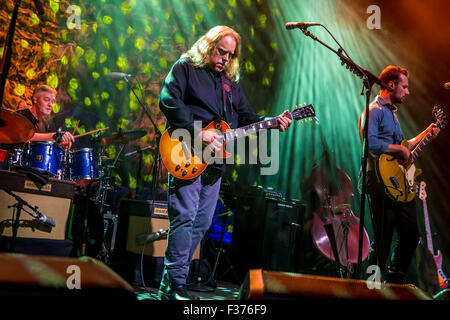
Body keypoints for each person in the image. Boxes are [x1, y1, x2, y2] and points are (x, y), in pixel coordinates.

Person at [158, 25, 292, 300]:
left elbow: (247, 118)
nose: (225, 59)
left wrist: (272, 122)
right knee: (183, 218)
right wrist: (199, 133)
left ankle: (170, 281)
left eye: (231, 55)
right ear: (208, 46)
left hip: (215, 163)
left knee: (203, 222)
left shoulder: (230, 85)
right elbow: (168, 101)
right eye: (222, 52)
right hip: (186, 151)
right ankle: (175, 286)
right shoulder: (185, 68)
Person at [358, 65, 439, 284]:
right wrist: (400, 150)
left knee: (411, 234)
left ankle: (394, 280)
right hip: (378, 181)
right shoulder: (373, 111)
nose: (408, 91)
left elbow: (404, 145)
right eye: (405, 86)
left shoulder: (392, 114)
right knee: (383, 239)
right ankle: (369, 287)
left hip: (398, 182)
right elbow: (372, 145)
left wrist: (426, 133)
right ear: (391, 85)